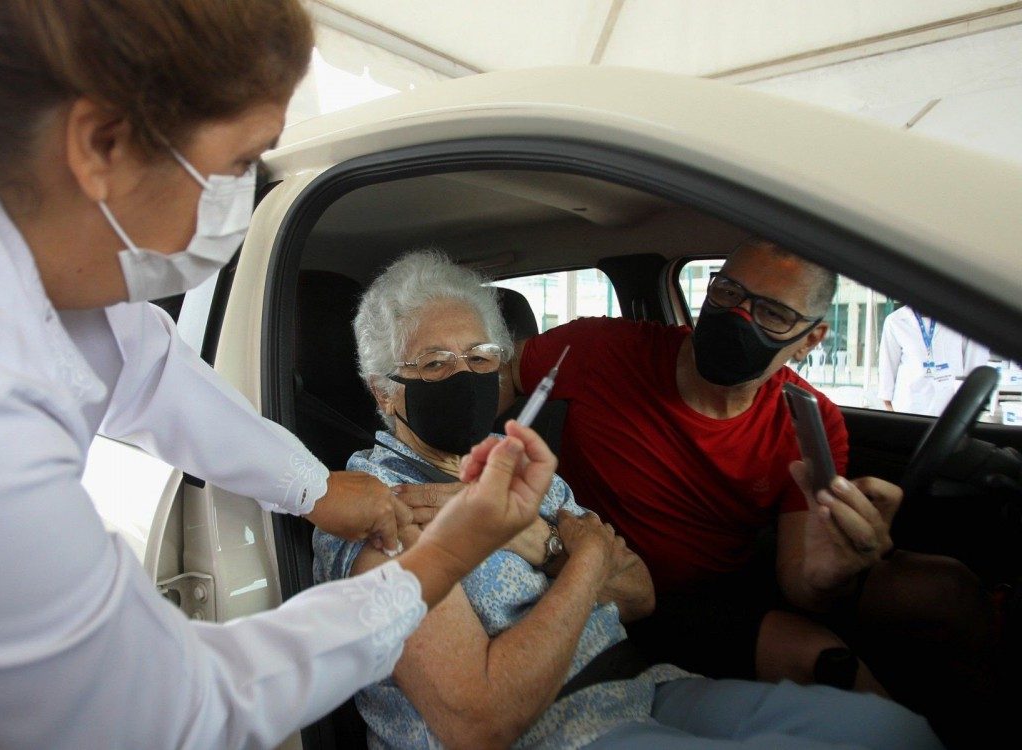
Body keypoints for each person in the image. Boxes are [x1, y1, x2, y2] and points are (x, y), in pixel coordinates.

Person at [0, 3, 547, 748]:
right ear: (101, 143)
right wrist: (440, 560)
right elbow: (173, 714)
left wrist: (313, 486)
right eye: (239, 164)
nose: (240, 198)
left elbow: (141, 360)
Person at [314, 250, 942, 749]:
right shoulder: (383, 505)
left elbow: (639, 594)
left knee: (896, 732)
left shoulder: (512, 463)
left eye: (481, 356)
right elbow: (478, 724)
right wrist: (585, 557)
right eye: (432, 364)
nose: (465, 376)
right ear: (383, 391)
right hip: (552, 735)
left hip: (645, 685)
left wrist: (553, 544)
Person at [494, 238, 1000, 746]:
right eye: (728, 290)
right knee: (820, 654)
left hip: (708, 598)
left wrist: (835, 574)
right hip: (599, 574)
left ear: (810, 340)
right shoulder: (603, 348)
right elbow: (501, 372)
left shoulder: (810, 422)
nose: (738, 316)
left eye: (772, 312)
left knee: (909, 610)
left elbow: (803, 582)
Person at [878, 303, 991, 416]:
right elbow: (887, 369)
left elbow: (974, 364)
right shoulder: (895, 321)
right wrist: (891, 411)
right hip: (908, 407)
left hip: (950, 408)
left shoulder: (960, 318)